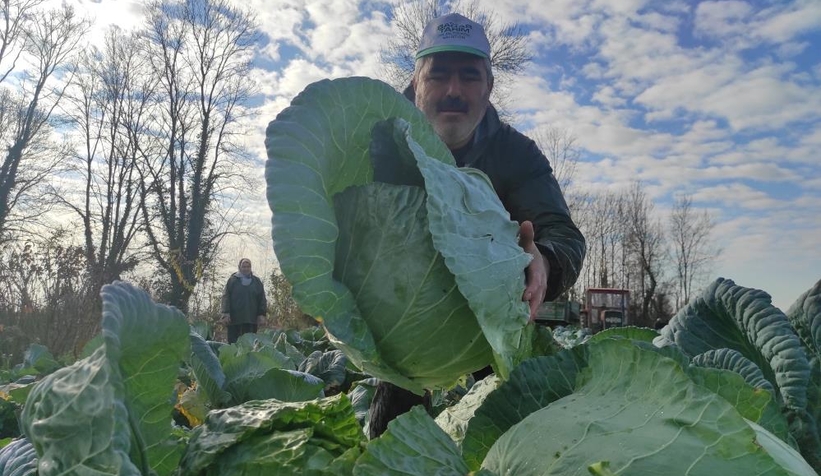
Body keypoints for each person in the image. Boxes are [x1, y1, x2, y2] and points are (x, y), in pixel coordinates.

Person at [368, 12, 587, 438]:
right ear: (416, 84)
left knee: (501, 446)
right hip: (399, 342)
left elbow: (565, 237)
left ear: (488, 88)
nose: (453, 91)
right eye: (439, 75)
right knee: (388, 450)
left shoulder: (517, 155)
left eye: (469, 77)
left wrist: (544, 261)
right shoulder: (378, 145)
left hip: (492, 340)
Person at [219, 258, 268, 343]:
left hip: (251, 320)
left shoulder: (256, 282)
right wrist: (225, 314)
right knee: (233, 345)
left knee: (249, 345)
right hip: (234, 320)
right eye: (244, 266)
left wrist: (261, 314)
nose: (246, 268)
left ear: (250, 268)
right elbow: (226, 297)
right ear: (239, 267)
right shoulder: (232, 280)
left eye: (248, 266)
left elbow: (262, 299)